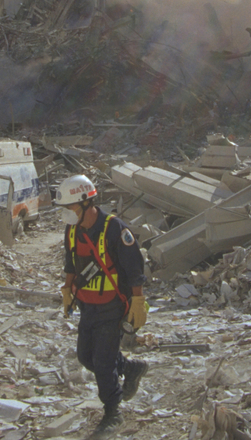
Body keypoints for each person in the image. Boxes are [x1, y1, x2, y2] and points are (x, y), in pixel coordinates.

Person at [57, 174, 149, 439]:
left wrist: (138, 301)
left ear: (86, 202)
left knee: (103, 361)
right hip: (88, 305)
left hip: (112, 306)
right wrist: (67, 290)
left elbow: (134, 269)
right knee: (86, 357)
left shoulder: (114, 229)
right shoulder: (72, 230)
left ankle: (112, 411)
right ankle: (130, 368)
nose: (66, 212)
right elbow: (71, 263)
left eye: (70, 206)